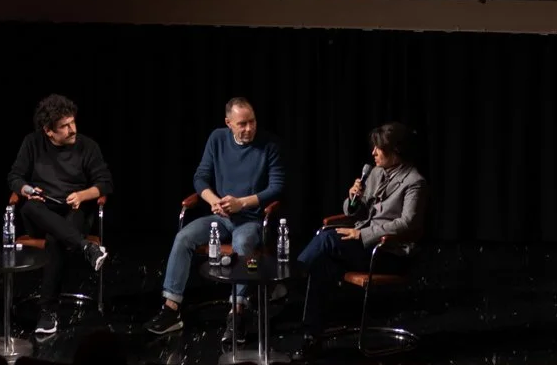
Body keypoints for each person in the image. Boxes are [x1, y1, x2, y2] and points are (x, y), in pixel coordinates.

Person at [146, 96, 285, 338]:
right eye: (242, 124)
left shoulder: (269, 144)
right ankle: (171, 309)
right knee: (183, 237)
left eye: (252, 122)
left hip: (250, 219)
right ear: (228, 123)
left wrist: (240, 203)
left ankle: (237, 312)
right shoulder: (217, 139)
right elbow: (200, 177)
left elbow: (276, 187)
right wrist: (214, 201)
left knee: (242, 244)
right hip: (220, 216)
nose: (249, 128)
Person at [299, 120, 426, 339]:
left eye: (379, 148)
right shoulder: (376, 173)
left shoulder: (414, 181)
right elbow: (355, 213)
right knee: (323, 260)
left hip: (389, 252)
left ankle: (292, 274)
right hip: (364, 246)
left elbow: (408, 223)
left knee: (327, 240)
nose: (373, 152)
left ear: (395, 151)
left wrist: (363, 234)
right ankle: (312, 334)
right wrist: (353, 198)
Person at [7, 93, 113, 340]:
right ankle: (87, 247)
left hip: (73, 211)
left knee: (57, 238)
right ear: (48, 131)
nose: (72, 129)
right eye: (64, 126)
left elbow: (105, 184)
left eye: (73, 122)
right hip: (40, 212)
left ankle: (48, 312)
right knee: (30, 207)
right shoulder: (32, 143)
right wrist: (28, 190)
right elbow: (15, 177)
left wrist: (82, 195)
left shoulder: (88, 146)